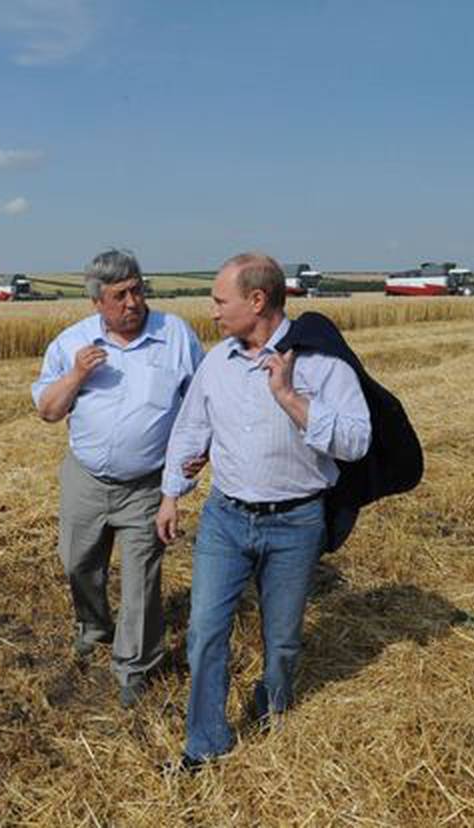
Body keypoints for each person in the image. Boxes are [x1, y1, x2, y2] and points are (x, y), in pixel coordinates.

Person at [155, 251, 371, 769]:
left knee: (283, 641)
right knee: (206, 629)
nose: (212, 312)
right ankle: (205, 744)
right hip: (226, 518)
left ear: (257, 300)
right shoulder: (216, 361)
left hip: (296, 522)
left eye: (219, 301)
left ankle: (272, 711)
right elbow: (190, 430)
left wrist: (289, 398)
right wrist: (170, 494)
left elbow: (357, 441)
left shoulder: (321, 360)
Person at [32, 249, 205, 708]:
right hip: (85, 478)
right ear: (97, 302)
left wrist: (194, 459)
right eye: (120, 295)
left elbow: (200, 404)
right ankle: (93, 625)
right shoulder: (73, 343)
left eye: (138, 289)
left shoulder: (176, 337)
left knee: (141, 580)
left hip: (147, 484)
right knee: (76, 560)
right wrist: (77, 375)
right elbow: (48, 411)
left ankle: (134, 665)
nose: (133, 302)